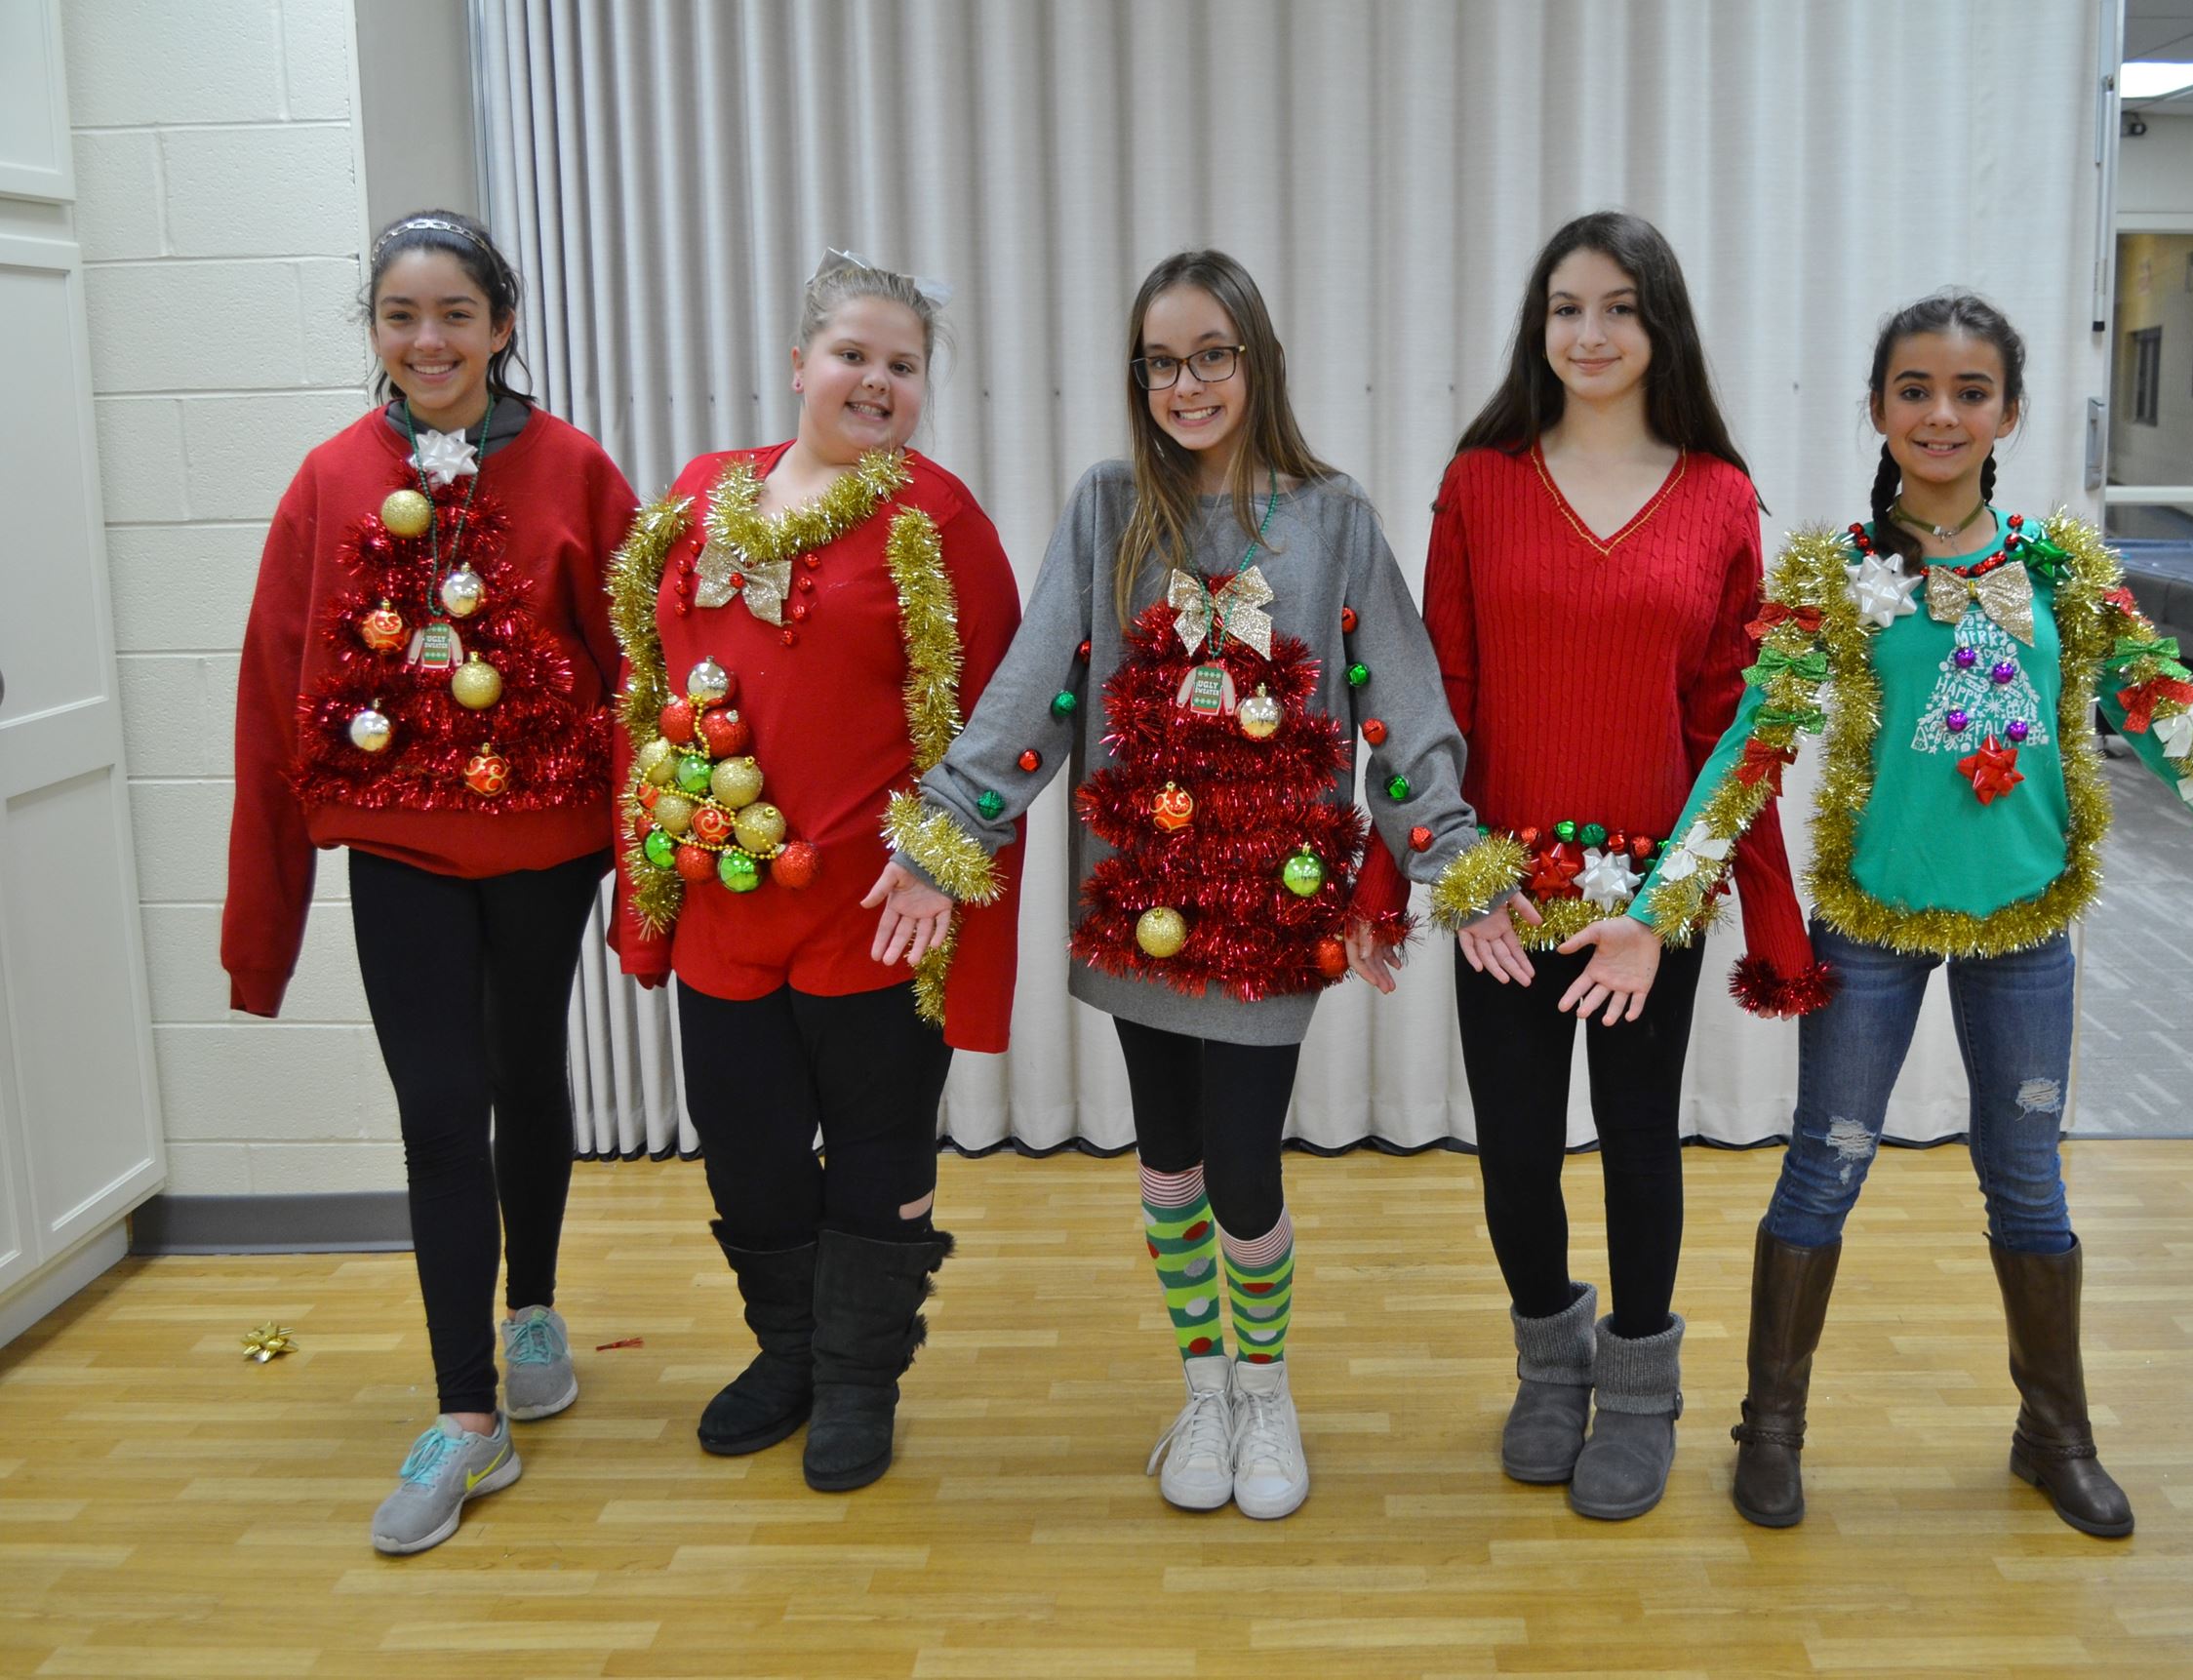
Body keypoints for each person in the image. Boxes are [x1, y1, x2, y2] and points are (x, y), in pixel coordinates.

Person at [1574, 291, 2193, 1539]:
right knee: (1821, 1174)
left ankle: (2052, 1434)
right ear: (1877, 410)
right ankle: (1772, 1428)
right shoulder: (1833, 582)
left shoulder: (2062, 575)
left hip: (2024, 935)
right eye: (1914, 390)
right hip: (1873, 930)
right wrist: (1656, 907)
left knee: (2027, 1186)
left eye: (1969, 392)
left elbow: (2168, 717)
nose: (1940, 414)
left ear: (2008, 411)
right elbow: (1748, 750)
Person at [864, 250, 1532, 1520]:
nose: (1188, 382)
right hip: (1134, 905)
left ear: (1254, 360)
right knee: (1165, 1161)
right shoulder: (1110, 506)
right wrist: (949, 831)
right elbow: (1030, 686)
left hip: (1272, 919)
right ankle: (1207, 1382)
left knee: (1243, 1170)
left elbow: (1401, 700)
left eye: (1211, 353)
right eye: (1163, 360)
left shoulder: (1331, 518)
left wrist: (1451, 857)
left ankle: (1268, 1385)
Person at [1350, 212, 1816, 1521]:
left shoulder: (1720, 495)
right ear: (1537, 325)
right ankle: (1549, 1361)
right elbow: (1433, 689)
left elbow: (1737, 724)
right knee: (1511, 1150)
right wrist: (1423, 876)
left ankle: (1643, 1389)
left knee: (1636, 1144)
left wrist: (1676, 909)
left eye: (1620, 307)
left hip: (1647, 906)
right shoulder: (1482, 479)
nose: (1593, 333)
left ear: (1660, 324)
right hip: (1497, 888)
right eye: (1567, 307)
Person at [224, 210, 634, 1554]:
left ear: (502, 325)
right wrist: (259, 923)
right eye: (401, 315)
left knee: (526, 1071)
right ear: (378, 334)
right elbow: (271, 690)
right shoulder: (332, 477)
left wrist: (649, 889)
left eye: (455, 312)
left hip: (549, 841)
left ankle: (534, 1309)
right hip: (395, 845)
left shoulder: (574, 468)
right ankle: (468, 1413)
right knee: (439, 1106)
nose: (429, 339)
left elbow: (640, 674)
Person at [608, 253, 1023, 1495]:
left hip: (873, 914)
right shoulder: (695, 499)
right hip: (725, 907)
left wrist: (946, 863)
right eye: (853, 354)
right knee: (747, 1157)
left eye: (904, 365)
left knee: (879, 1158)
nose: (875, 381)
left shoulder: (936, 519)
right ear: (799, 365)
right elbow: (645, 677)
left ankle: (857, 1378)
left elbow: (1004, 721)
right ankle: (785, 1352)